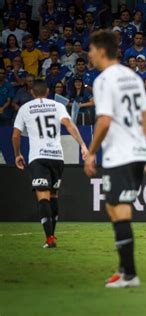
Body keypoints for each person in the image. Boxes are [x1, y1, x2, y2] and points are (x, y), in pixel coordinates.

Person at [84, 30, 146, 288]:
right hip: (135, 151)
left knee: (120, 211)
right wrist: (141, 145)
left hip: (120, 155)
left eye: (90, 50)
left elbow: (104, 120)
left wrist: (91, 152)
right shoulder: (132, 77)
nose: (89, 55)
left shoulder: (103, 80)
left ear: (101, 51)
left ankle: (130, 275)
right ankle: (123, 269)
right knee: (114, 207)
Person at [12, 79, 88, 248]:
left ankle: (50, 238)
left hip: (38, 157)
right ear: (47, 91)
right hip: (57, 157)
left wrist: (17, 154)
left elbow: (16, 135)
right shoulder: (57, 106)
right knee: (53, 195)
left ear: (32, 92)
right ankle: (51, 236)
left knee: (43, 196)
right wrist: (82, 145)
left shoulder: (25, 108)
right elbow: (69, 125)